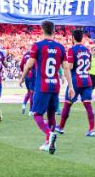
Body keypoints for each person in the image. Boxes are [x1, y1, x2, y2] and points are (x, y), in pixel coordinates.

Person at [19, 20, 67, 154]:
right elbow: (66, 68)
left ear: (42, 30)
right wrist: (71, 86)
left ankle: (49, 134)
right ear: (54, 30)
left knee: (37, 114)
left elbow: (29, 65)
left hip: (42, 85)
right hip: (55, 86)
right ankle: (48, 142)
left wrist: (22, 78)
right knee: (51, 114)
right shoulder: (61, 47)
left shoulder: (37, 46)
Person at [58, 29, 95, 137]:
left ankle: (61, 127)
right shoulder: (87, 50)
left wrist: (62, 65)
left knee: (68, 103)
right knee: (88, 105)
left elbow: (69, 66)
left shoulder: (72, 50)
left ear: (73, 38)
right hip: (87, 80)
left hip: (76, 81)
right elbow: (88, 67)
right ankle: (92, 129)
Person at [19, 47, 35, 115]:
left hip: (26, 76)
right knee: (32, 93)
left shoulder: (25, 55)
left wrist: (24, 73)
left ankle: (24, 104)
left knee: (29, 92)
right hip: (33, 75)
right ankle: (31, 110)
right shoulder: (34, 55)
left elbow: (21, 65)